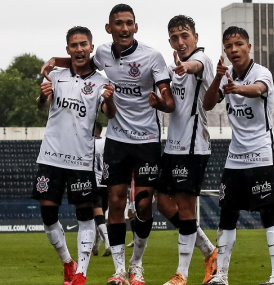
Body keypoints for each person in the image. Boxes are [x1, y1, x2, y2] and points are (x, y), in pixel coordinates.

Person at [41, 5, 175, 285]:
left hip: (147, 139)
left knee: (143, 206)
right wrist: (55, 60)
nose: (124, 28)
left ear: (135, 27)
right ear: (109, 28)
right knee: (114, 202)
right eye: (118, 23)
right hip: (116, 139)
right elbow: (80, 62)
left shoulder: (152, 56)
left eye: (129, 23)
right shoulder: (101, 53)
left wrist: (162, 103)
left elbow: (169, 100)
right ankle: (119, 271)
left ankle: (137, 265)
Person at [32, 26, 116, 285]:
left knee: (85, 215)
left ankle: (81, 272)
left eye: (83, 44)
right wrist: (41, 97)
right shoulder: (56, 76)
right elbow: (41, 106)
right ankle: (68, 262)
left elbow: (109, 113)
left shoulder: (101, 81)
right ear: (67, 48)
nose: (79, 49)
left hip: (81, 160)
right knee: (48, 216)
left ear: (91, 47)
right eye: (74, 45)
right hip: (50, 157)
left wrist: (110, 100)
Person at [202, 26, 274, 285]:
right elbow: (207, 104)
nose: (234, 49)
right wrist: (217, 78)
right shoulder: (225, 75)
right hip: (235, 157)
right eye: (228, 46)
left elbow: (258, 89)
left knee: (268, 213)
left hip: (262, 154)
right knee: (227, 214)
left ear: (249, 47)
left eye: (239, 44)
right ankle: (221, 277)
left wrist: (236, 88)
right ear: (224, 51)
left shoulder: (262, 73)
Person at [156, 15, 217, 285]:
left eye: (185, 35)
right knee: (163, 204)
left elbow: (194, 66)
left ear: (195, 37)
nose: (180, 42)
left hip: (193, 148)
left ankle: (182, 274)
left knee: (185, 207)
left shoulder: (202, 60)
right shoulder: (171, 68)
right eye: (174, 37)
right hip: (172, 147)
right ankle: (209, 251)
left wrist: (186, 67)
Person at [92, 122, 112, 257]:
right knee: (100, 217)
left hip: (94, 184)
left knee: (98, 218)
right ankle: (96, 246)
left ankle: (108, 244)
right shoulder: (106, 144)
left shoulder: (88, 143)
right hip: (106, 185)